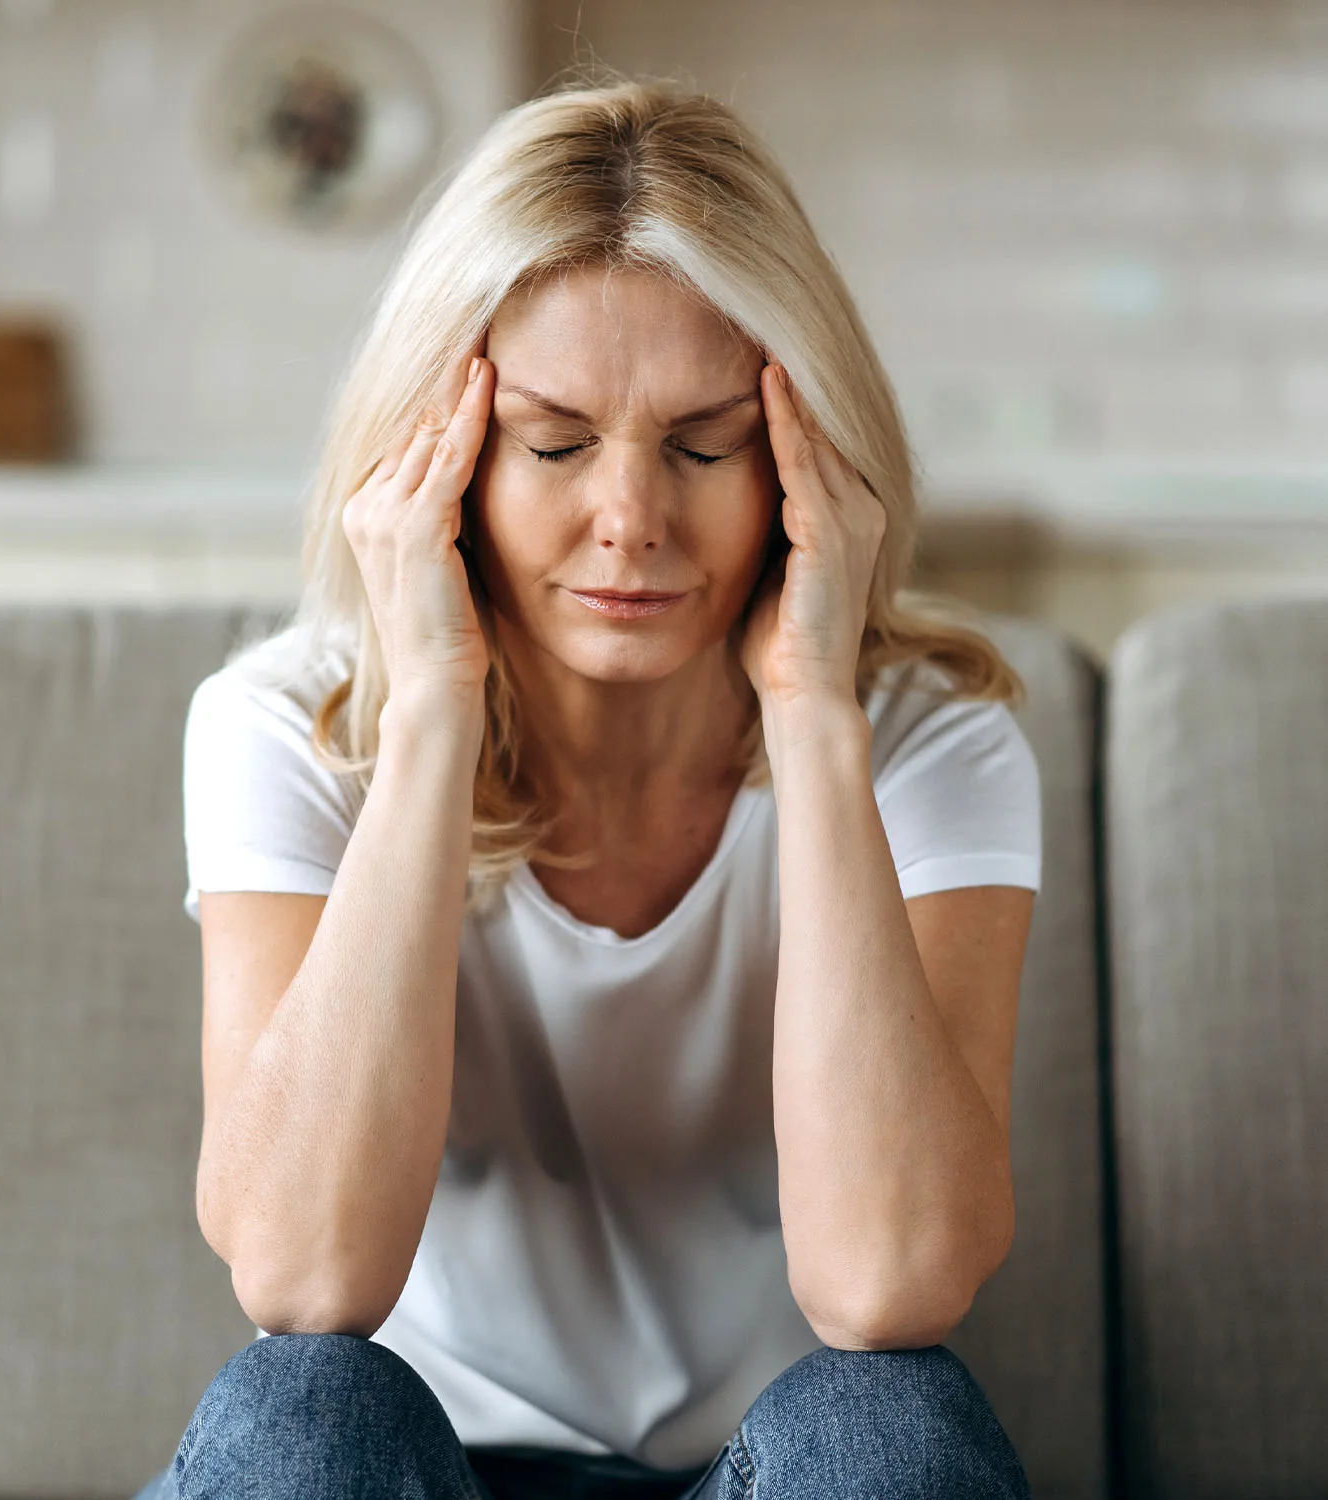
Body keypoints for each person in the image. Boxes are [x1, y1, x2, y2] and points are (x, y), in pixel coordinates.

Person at [137, 75, 1042, 1500]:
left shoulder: (933, 745)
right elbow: (302, 1280)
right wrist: (432, 712)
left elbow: (890, 1288)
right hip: (417, 1473)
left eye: (704, 445)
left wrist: (810, 715)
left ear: (807, 462)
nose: (630, 522)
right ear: (439, 457)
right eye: (553, 444)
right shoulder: (279, 726)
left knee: (891, 1430)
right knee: (301, 1408)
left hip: (762, 1475)